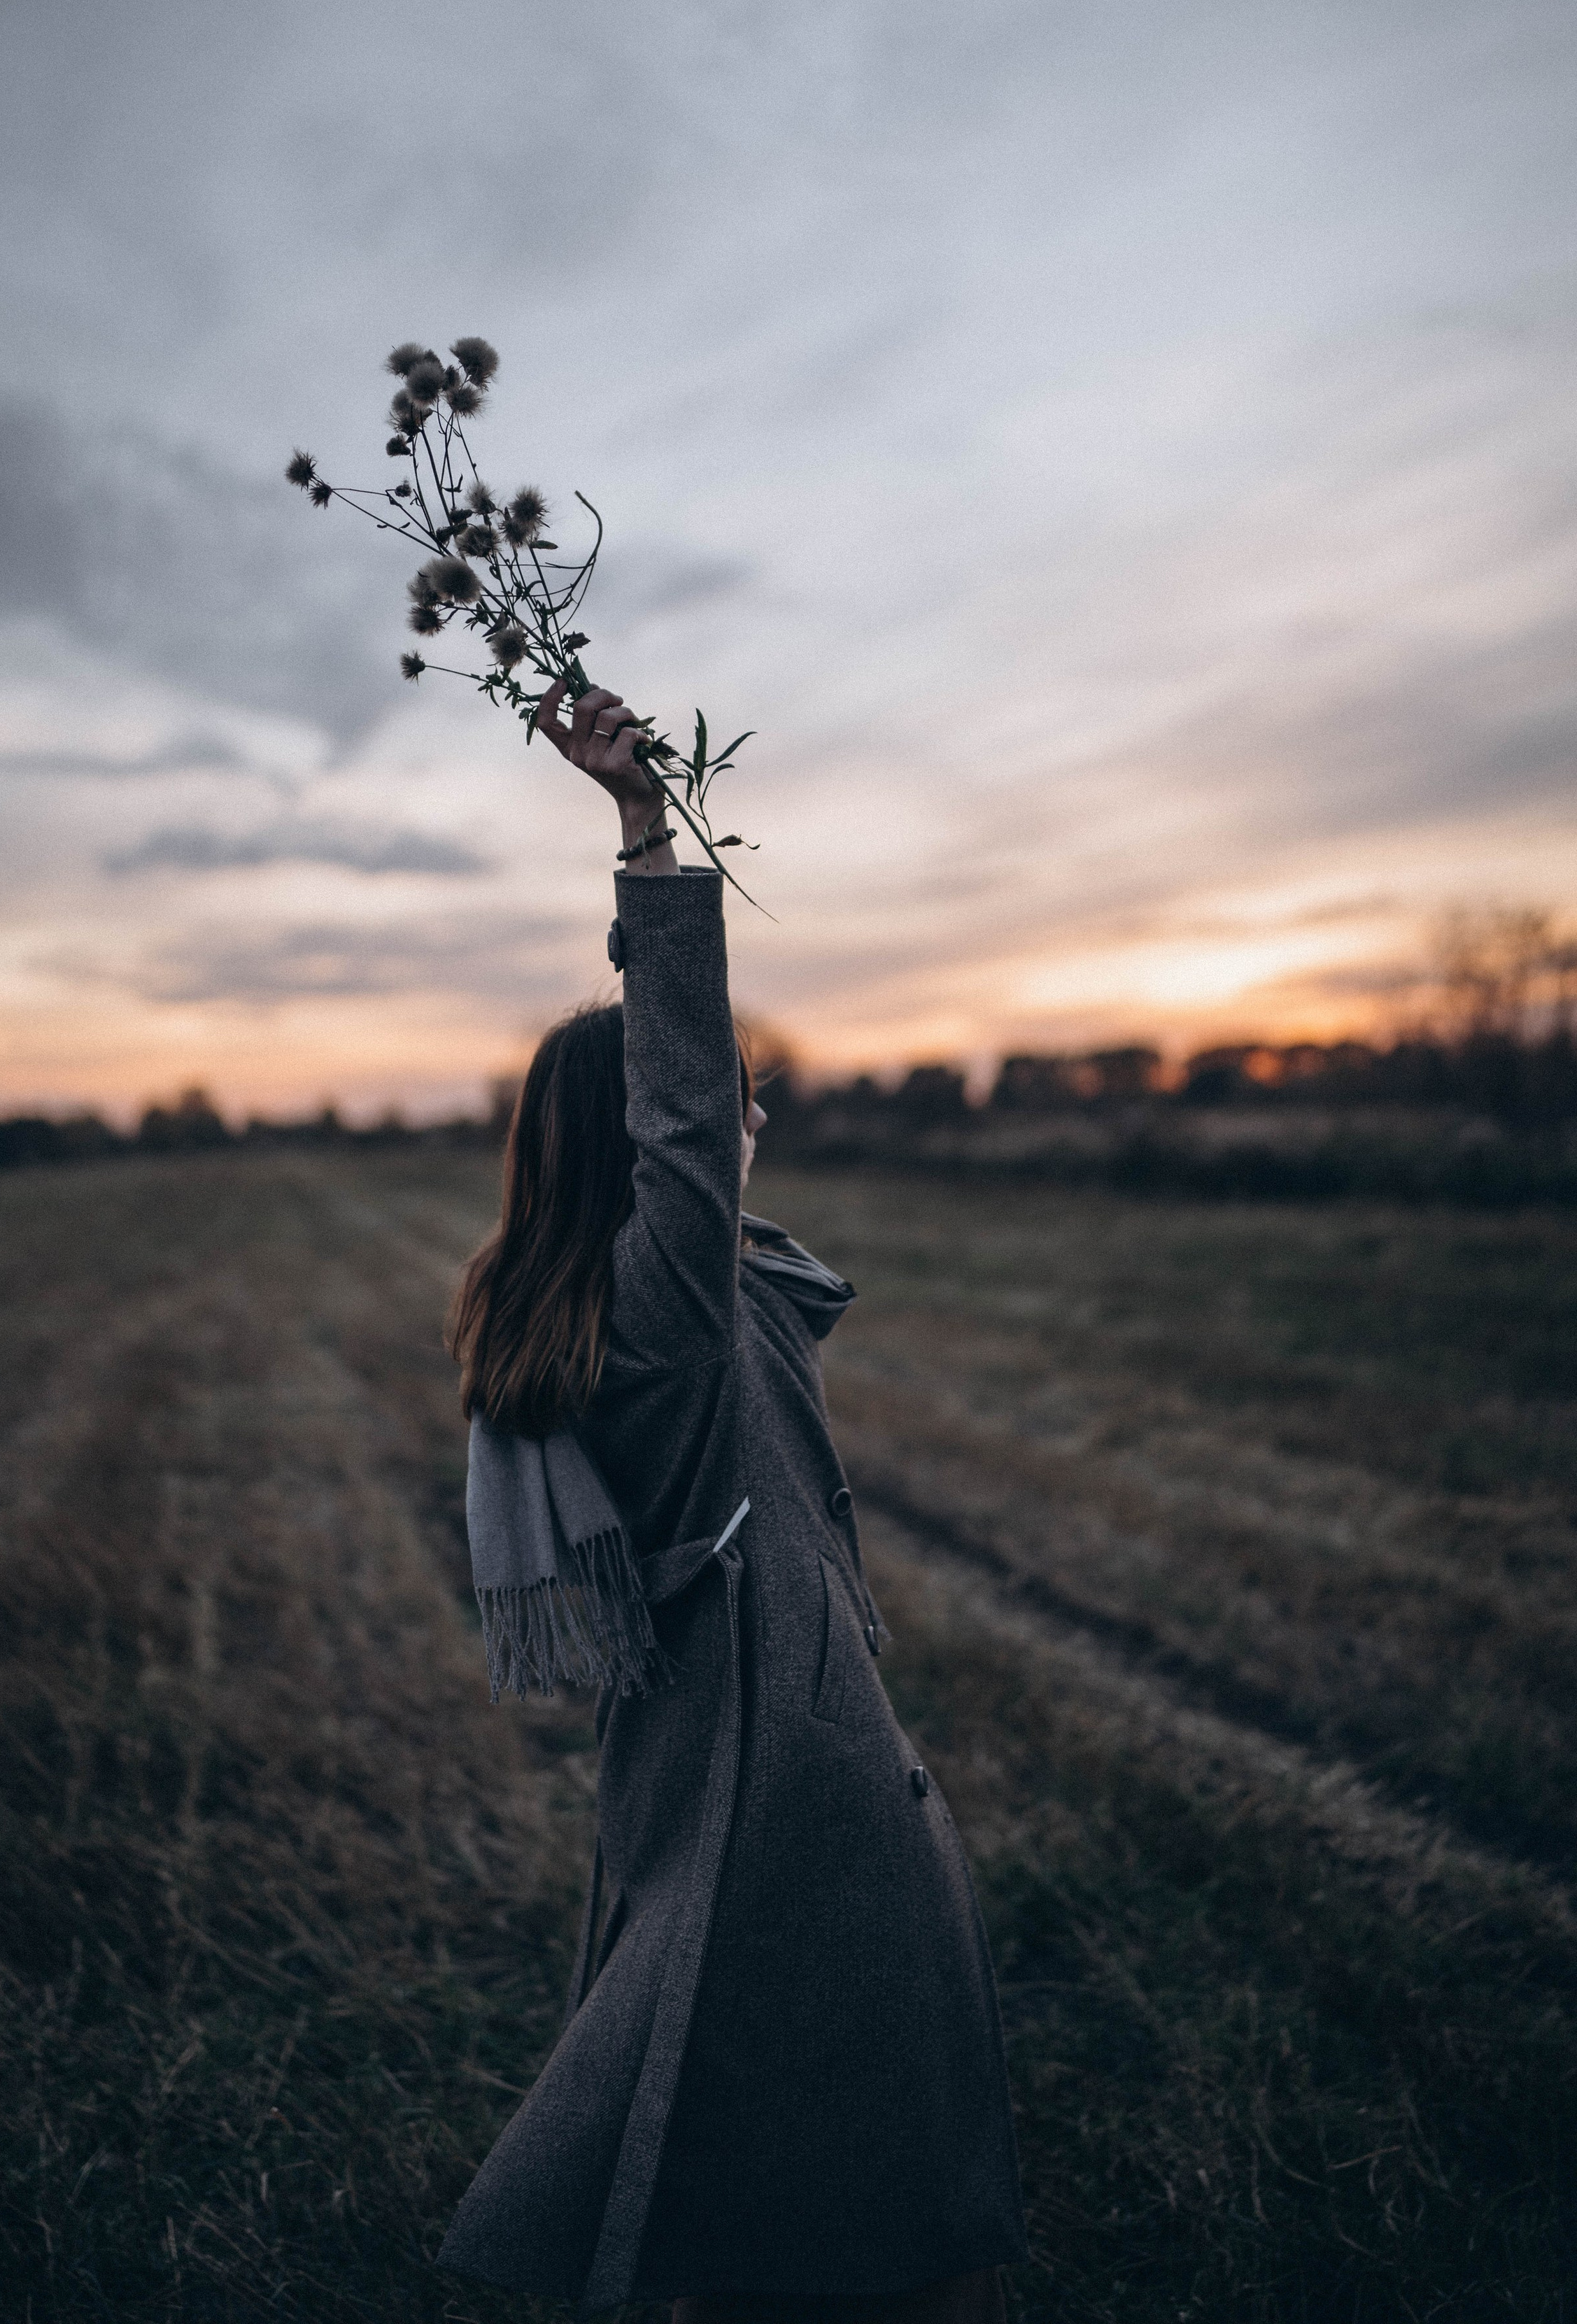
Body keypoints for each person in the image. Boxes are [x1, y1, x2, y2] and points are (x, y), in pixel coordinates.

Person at [437, 683, 1026, 2323]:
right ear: (638, 1144)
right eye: (721, 1101)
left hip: (698, 1752)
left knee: (728, 2094)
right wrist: (643, 833)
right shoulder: (666, 1306)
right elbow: (689, 1104)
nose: (748, 1109)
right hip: (786, 1763)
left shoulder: (622, 1303)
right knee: (872, 2141)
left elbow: (691, 1117)